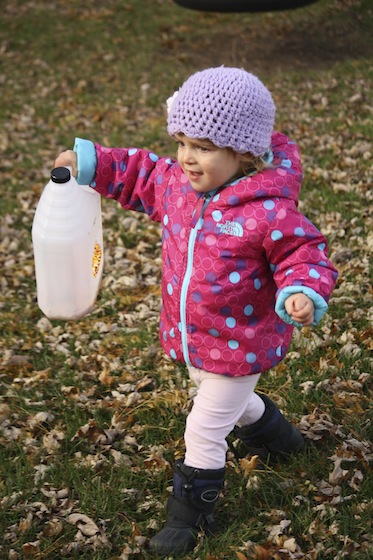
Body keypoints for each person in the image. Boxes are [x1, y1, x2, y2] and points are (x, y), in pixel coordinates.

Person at [55, 66, 338, 556]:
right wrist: (89, 163)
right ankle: (278, 437)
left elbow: (304, 253)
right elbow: (137, 173)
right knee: (220, 395)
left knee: (205, 423)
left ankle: (190, 512)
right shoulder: (177, 188)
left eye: (203, 147)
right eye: (182, 141)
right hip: (197, 339)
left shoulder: (267, 210)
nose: (186, 157)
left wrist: (301, 291)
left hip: (243, 344)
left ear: (243, 153)